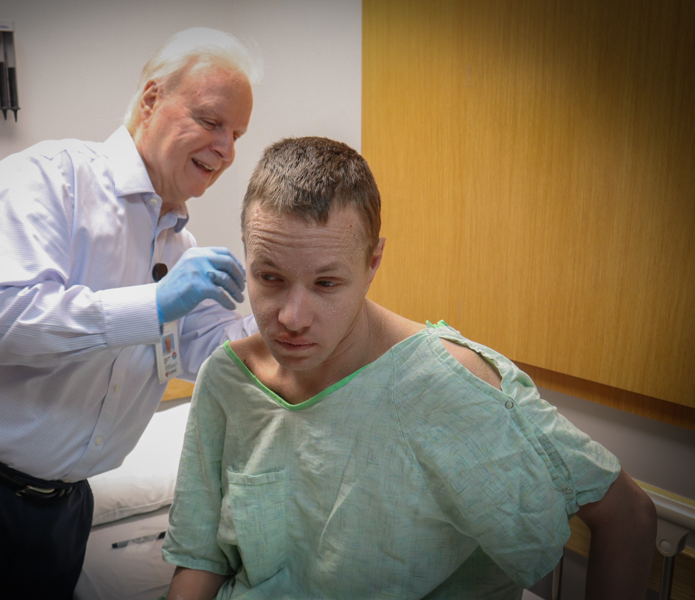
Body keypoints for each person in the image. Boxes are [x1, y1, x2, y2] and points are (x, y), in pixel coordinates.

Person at [0, 27, 261, 599]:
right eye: (212, 121)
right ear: (151, 100)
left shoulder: (178, 251)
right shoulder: (47, 178)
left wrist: (287, 303)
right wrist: (154, 302)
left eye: (236, 134)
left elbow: (203, 352)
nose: (226, 149)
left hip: (57, 509)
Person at [160, 136, 657, 600]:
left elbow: (628, 516)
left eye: (327, 284)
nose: (291, 317)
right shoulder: (227, 380)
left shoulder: (446, 382)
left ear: (373, 262)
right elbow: (202, 559)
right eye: (269, 277)